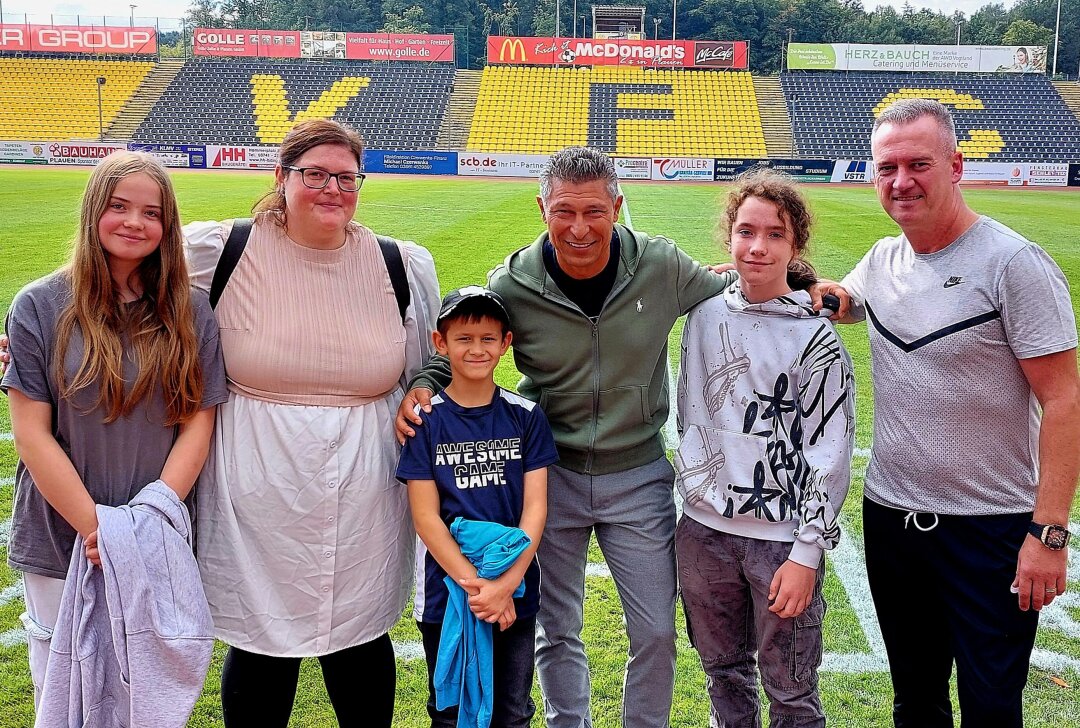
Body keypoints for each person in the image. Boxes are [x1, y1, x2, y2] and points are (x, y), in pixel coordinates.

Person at [398, 146, 847, 728]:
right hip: (548, 476)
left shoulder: (660, 266)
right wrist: (427, 381)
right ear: (542, 209)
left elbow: (742, 278)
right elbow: (469, 335)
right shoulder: (512, 283)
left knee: (657, 630)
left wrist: (816, 288)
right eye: (563, 211)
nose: (579, 228)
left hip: (638, 476)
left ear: (617, 206)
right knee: (556, 628)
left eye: (594, 211)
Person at [182, 118, 441, 727]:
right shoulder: (223, 249)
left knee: (359, 639)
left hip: (364, 482)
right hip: (256, 480)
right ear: (281, 178)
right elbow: (121, 279)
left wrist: (424, 386)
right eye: (315, 174)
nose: (332, 188)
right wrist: (30, 325)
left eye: (345, 177)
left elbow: (432, 358)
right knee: (260, 642)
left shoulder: (397, 264)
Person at [836, 98, 1080, 727]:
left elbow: (1064, 400)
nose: (901, 181)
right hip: (892, 519)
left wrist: (1048, 535)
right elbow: (840, 300)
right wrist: (761, 274)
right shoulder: (882, 259)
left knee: (991, 706)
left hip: (991, 528)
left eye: (918, 164)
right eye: (886, 166)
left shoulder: (1014, 265)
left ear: (956, 165)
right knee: (914, 699)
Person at [1, 151, 227, 712]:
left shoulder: (190, 311)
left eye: (151, 212)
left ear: (167, 226)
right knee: (61, 689)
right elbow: (32, 434)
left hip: (157, 533)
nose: (134, 222)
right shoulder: (39, 304)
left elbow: (199, 421)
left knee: (142, 689)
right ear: (93, 210)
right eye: (119, 206)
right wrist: (97, 529)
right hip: (62, 535)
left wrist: (147, 521)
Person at [674, 170, 855, 728]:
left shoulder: (816, 339)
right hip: (704, 531)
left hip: (780, 545)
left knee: (791, 693)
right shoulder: (702, 316)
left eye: (774, 234)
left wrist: (807, 551)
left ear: (794, 244)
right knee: (723, 677)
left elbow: (831, 453)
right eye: (746, 231)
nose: (757, 246)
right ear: (729, 237)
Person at [397, 286, 558, 728]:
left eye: (488, 338)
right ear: (440, 343)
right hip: (447, 593)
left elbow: (535, 511)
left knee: (511, 712)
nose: (476, 348)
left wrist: (506, 584)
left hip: (515, 590)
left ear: (506, 344)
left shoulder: (525, 416)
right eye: (463, 338)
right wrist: (480, 589)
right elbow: (426, 518)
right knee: (450, 713)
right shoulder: (425, 422)